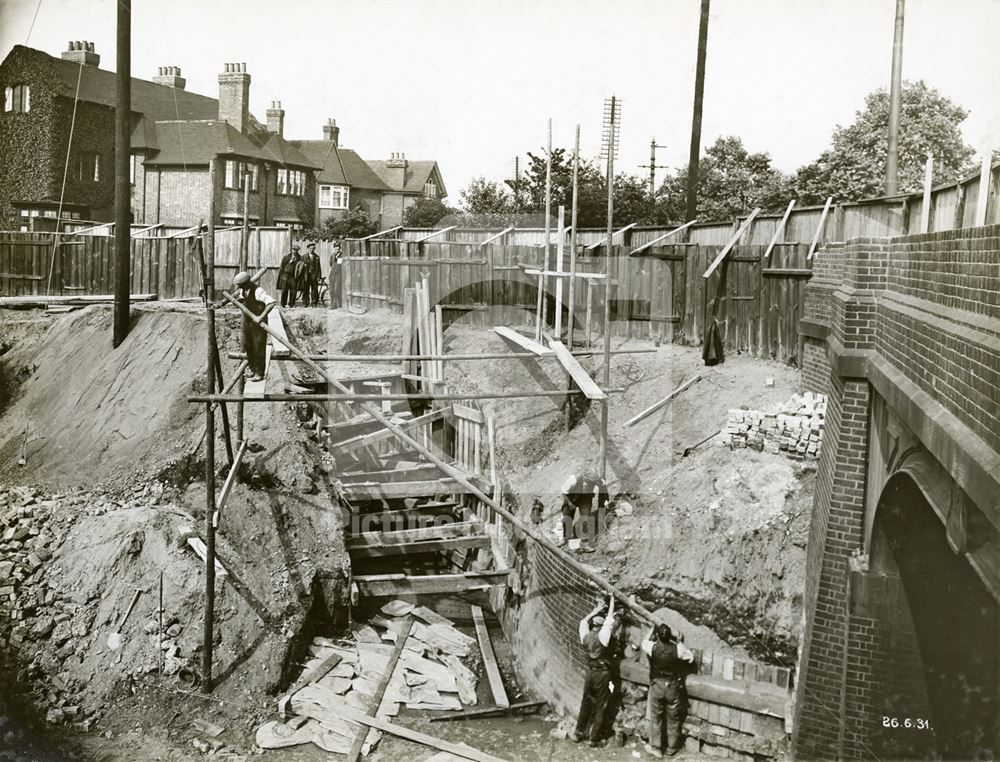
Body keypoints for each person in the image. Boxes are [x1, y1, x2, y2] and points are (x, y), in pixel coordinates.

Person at [642, 623, 695, 758]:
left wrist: (651, 630)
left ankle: (656, 748)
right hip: (672, 687)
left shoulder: (652, 647)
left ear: (658, 637)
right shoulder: (677, 649)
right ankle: (672, 748)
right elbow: (690, 658)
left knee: (656, 718)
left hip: (657, 686)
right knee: (673, 718)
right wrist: (680, 641)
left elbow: (644, 642)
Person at [573, 594, 618, 748]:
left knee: (586, 701)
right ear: (601, 625)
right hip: (602, 674)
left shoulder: (585, 635)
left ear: (593, 625)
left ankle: (578, 732)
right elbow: (610, 620)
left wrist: (595, 611)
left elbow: (583, 621)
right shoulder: (603, 636)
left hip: (590, 672)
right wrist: (612, 600)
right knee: (601, 704)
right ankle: (594, 738)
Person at [232, 271, 275, 382]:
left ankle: (259, 373)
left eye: (240, 285)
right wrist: (237, 301)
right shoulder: (243, 290)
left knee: (258, 347)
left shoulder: (258, 290)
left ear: (246, 283)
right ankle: (252, 369)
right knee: (248, 345)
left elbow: (271, 303)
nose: (239, 288)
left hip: (259, 323)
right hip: (248, 322)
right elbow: (244, 299)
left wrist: (261, 317)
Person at [560, 466, 610, 551]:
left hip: (585, 498)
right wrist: (570, 504)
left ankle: (584, 543)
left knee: (585, 518)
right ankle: (565, 538)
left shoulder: (597, 480)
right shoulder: (573, 479)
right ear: (585, 477)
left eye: (593, 482)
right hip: (571, 497)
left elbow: (603, 485)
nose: (592, 483)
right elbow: (564, 492)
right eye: (590, 481)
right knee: (567, 517)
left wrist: (605, 500)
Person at [327, 240, 344, 309]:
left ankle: (339, 304)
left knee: (337, 289)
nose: (337, 250)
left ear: (340, 249)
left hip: (339, 274)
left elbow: (340, 265)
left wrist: (337, 258)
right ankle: (332, 304)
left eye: (338, 249)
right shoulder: (332, 255)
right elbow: (331, 264)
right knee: (331, 290)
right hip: (332, 274)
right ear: (334, 249)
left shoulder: (342, 255)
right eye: (335, 249)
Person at [305, 242, 322, 307]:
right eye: (310, 248)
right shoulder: (304, 257)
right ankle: (305, 303)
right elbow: (301, 268)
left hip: (314, 276)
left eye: (313, 248)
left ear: (314, 249)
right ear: (308, 249)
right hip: (306, 276)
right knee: (306, 290)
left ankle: (314, 303)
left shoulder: (317, 257)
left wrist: (319, 276)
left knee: (314, 290)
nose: (311, 250)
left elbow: (319, 267)